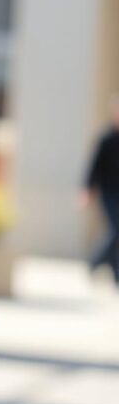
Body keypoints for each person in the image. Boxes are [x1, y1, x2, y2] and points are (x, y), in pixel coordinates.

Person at [80, 93, 119, 285]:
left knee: (115, 232)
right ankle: (95, 261)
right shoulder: (106, 139)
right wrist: (86, 190)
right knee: (116, 230)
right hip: (108, 192)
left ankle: (114, 272)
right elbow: (93, 166)